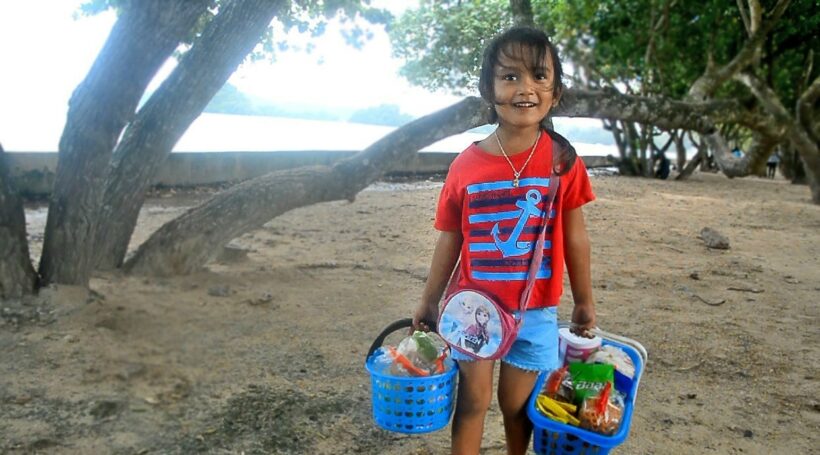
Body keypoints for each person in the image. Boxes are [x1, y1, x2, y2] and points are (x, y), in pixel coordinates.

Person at [412, 26, 597, 454]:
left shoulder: (562, 162)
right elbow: (450, 239)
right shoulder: (466, 165)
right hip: (473, 306)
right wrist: (429, 298)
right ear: (488, 88)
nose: (524, 88)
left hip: (536, 310)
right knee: (472, 403)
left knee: (516, 407)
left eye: (538, 75)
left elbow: (575, 237)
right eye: (509, 77)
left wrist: (584, 300)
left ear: (556, 90)